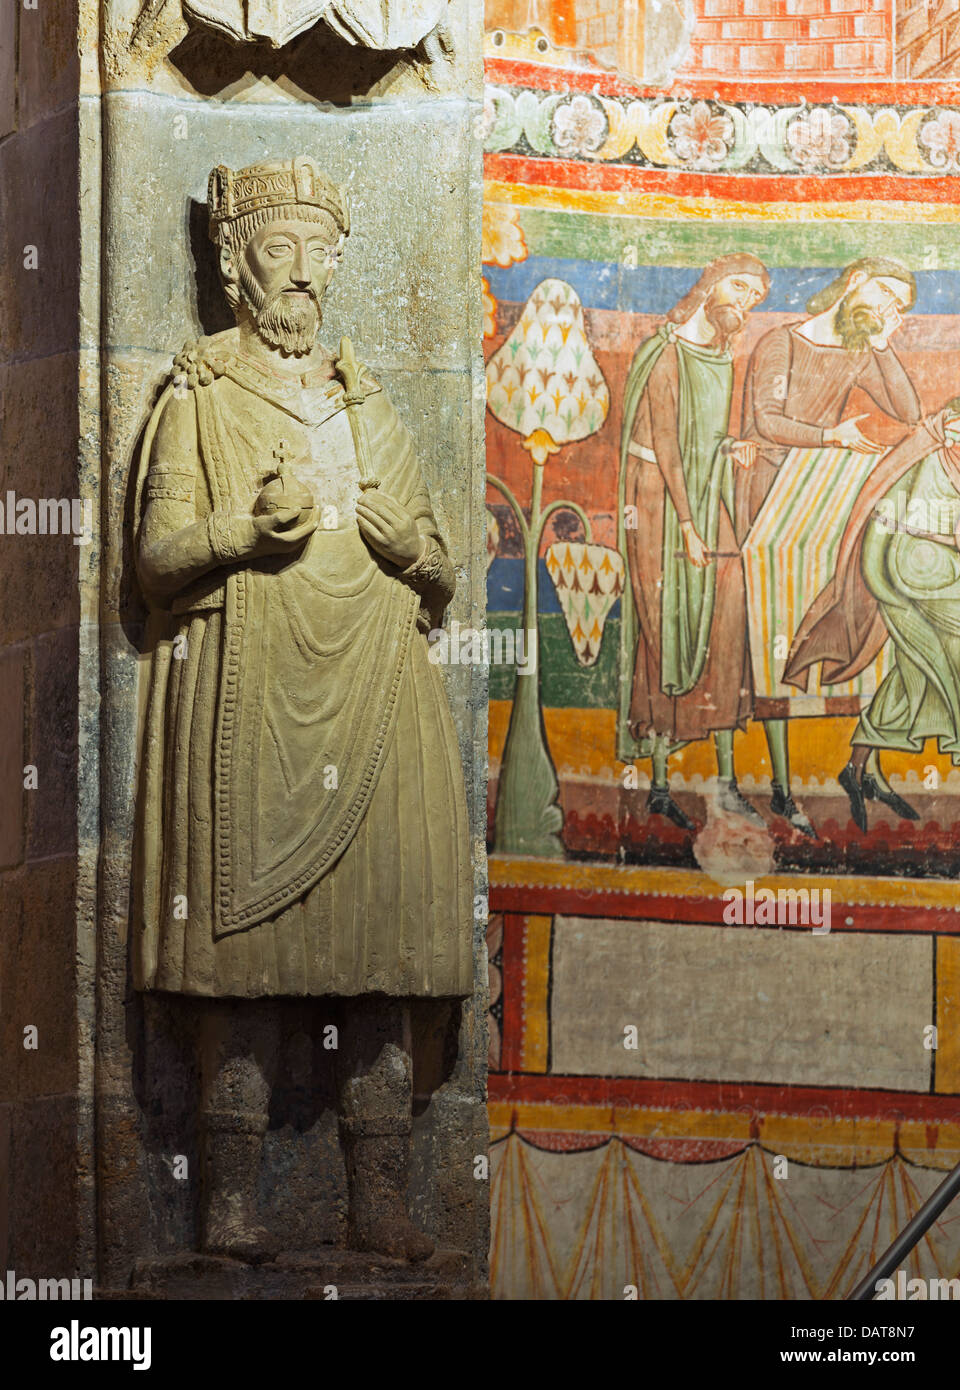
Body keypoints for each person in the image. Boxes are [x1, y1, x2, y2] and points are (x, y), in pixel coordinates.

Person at [132, 157, 472, 1260]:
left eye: (321, 253)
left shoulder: (368, 398)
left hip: (376, 686)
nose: (304, 276)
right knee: (249, 956)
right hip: (251, 691)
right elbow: (152, 561)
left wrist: (403, 545)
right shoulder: (200, 392)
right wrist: (240, 533)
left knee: (379, 952)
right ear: (236, 266)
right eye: (280, 250)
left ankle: (380, 1198)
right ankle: (229, 1199)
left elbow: (440, 562)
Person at [738, 257, 921, 836]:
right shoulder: (781, 341)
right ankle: (783, 787)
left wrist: (886, 345)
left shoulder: (860, 349)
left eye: (901, 306)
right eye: (886, 295)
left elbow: (911, 414)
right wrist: (831, 436)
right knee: (775, 618)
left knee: (862, 588)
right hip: (768, 489)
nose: (891, 309)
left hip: (821, 490)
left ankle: (863, 763)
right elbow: (766, 421)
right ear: (855, 281)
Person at [617, 254, 769, 830]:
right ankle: (658, 780)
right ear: (710, 285)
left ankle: (725, 779)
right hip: (659, 504)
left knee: (728, 618)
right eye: (739, 287)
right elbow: (666, 443)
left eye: (755, 295)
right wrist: (687, 527)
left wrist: (730, 448)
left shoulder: (722, 355)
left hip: (706, 495)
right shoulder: (665, 355)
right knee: (666, 625)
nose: (746, 301)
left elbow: (705, 440)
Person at [784, 397, 960, 831]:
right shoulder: (944, 449)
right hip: (920, 561)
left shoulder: (945, 447)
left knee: (917, 666)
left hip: (921, 559)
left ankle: (857, 765)